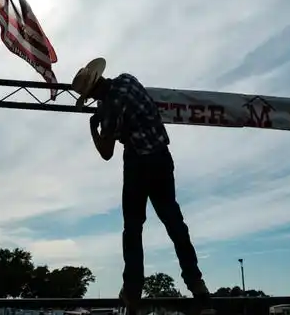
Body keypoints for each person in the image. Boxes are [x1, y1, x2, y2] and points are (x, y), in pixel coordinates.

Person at [72, 57, 212, 309]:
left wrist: (93, 126)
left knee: (133, 228)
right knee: (174, 221)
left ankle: (133, 289)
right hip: (161, 158)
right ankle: (196, 283)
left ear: (93, 90)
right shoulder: (127, 79)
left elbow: (106, 152)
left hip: (138, 164)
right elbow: (124, 103)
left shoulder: (111, 108)